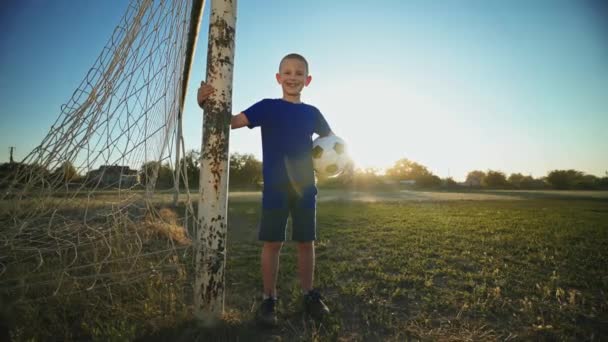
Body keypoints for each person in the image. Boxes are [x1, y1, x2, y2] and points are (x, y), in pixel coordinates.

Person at [197, 53, 332, 327]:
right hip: (275, 189)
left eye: (298, 73)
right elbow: (231, 122)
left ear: (307, 80)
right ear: (278, 77)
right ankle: (269, 299)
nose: (292, 77)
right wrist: (205, 103)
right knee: (273, 243)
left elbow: (331, 144)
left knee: (306, 242)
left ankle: (308, 295)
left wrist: (330, 163)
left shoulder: (312, 113)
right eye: (287, 72)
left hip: (306, 188)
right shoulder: (267, 107)